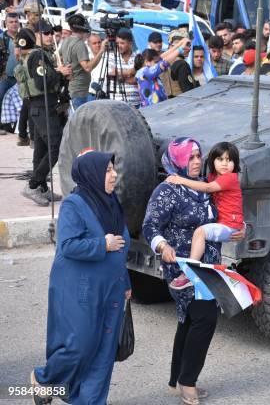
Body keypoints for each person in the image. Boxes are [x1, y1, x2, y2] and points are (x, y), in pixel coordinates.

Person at [142, 137, 245, 405]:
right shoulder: (167, 190)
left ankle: (178, 378)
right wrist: (162, 245)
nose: (197, 161)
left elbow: (228, 213)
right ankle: (188, 381)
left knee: (189, 319)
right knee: (205, 318)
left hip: (208, 265)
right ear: (177, 161)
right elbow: (150, 226)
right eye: (190, 157)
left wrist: (241, 230)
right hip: (182, 268)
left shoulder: (207, 187)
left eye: (199, 155)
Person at [31, 150, 131, 405]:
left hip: (112, 289)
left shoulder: (112, 204)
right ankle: (44, 380)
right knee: (80, 347)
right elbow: (67, 245)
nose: (114, 175)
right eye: (108, 170)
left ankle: (91, 401)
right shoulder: (74, 205)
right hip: (80, 289)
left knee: (105, 350)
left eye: (113, 170)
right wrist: (102, 244)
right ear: (92, 174)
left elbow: (123, 247)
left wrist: (126, 283)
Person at [165, 141, 244, 290]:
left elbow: (207, 188)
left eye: (229, 160)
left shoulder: (230, 178)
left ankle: (189, 272)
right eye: (220, 159)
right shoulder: (214, 176)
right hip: (227, 225)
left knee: (200, 232)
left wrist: (179, 179)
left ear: (235, 163)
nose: (225, 164)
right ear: (212, 160)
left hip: (229, 226)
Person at [14, 28, 69, 206]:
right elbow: (41, 82)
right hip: (43, 106)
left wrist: (60, 75)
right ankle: (33, 185)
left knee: (41, 149)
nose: (49, 36)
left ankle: (42, 188)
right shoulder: (37, 56)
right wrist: (60, 72)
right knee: (56, 144)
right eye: (45, 33)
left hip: (37, 107)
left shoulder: (31, 56)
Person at [60, 14, 106, 110]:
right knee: (82, 123)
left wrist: (65, 69)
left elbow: (59, 57)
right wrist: (101, 50)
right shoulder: (79, 44)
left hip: (72, 89)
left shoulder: (66, 41)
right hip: (79, 91)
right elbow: (87, 67)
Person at [134, 38, 190, 108]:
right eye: (156, 62)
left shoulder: (148, 70)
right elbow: (164, 63)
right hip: (152, 112)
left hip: (158, 109)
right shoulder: (144, 72)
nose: (158, 63)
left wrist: (179, 44)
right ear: (147, 62)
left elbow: (162, 57)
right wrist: (180, 50)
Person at [159, 30, 197, 99]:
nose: (190, 48)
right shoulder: (182, 65)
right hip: (181, 105)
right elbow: (190, 93)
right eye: (188, 45)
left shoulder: (162, 62)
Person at [107, 28, 139, 107]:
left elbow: (139, 78)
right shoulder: (111, 56)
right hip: (117, 103)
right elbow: (111, 74)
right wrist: (130, 72)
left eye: (122, 43)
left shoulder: (137, 57)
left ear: (130, 44)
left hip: (136, 103)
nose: (119, 46)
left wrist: (120, 76)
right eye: (117, 43)